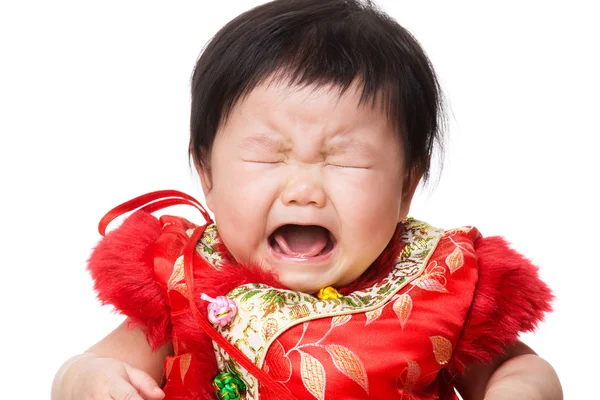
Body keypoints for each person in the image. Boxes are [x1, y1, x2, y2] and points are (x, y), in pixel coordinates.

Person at [51, 0, 562, 399]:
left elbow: (518, 366)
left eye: (346, 161)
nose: (304, 190)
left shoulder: (435, 283)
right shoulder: (187, 276)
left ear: (407, 186)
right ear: (206, 174)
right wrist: (87, 381)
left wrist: (516, 389)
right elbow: (87, 365)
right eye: (269, 157)